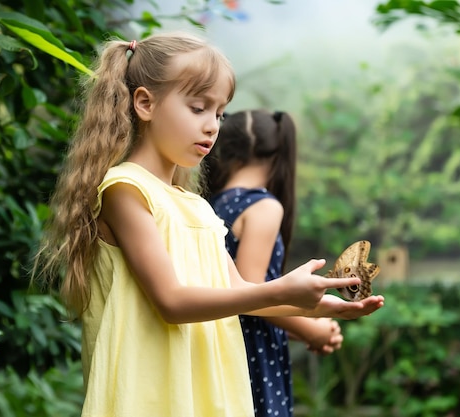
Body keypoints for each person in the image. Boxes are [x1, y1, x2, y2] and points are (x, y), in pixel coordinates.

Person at [32, 31, 384, 417]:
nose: (212, 126)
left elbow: (238, 292)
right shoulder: (126, 191)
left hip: (203, 393)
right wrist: (281, 289)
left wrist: (323, 306)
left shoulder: (197, 207)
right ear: (145, 103)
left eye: (218, 113)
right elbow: (171, 302)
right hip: (150, 396)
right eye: (198, 108)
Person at [204, 109, 345, 417]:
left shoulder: (209, 204)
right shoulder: (263, 206)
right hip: (252, 356)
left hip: (217, 345)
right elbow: (252, 298)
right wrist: (312, 330)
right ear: (279, 151)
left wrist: (302, 329)